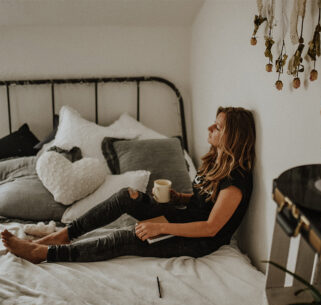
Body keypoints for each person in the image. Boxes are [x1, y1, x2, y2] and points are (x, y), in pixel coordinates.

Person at [1, 106, 256, 264]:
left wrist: (158, 226)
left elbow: (211, 227)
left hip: (198, 240)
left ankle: (44, 254)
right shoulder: (215, 162)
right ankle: (62, 236)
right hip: (183, 219)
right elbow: (204, 203)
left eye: (218, 126)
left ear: (232, 137)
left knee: (127, 237)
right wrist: (180, 198)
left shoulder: (236, 180)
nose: (210, 127)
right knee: (128, 196)